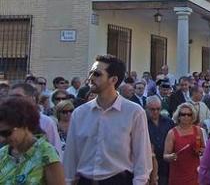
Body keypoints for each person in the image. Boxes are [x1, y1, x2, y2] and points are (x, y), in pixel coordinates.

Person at [63, 54, 152, 184]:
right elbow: (70, 158)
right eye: (91, 73)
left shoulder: (134, 112)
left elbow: (142, 158)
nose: (91, 78)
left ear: (113, 80)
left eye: (97, 74)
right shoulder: (79, 114)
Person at [0, 95, 65, 184]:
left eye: (6, 133)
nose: (2, 139)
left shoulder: (46, 154)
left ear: (24, 125)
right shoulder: (2, 155)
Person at [10, 83, 63, 157]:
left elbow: (56, 151)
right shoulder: (6, 122)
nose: (13, 101)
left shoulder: (46, 122)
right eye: (11, 97)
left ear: (32, 98)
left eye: (18, 97)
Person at [164, 103, 204, 185]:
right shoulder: (172, 133)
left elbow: (203, 148)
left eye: (189, 114)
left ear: (192, 116)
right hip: (178, 176)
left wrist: (200, 151)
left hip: (194, 175)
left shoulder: (198, 130)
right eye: (183, 114)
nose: (186, 117)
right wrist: (171, 157)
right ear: (178, 116)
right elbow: (165, 155)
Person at [147, 96, 175, 185]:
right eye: (152, 109)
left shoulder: (168, 122)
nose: (155, 112)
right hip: (149, 165)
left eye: (158, 109)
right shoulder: (142, 122)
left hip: (166, 165)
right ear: (146, 108)